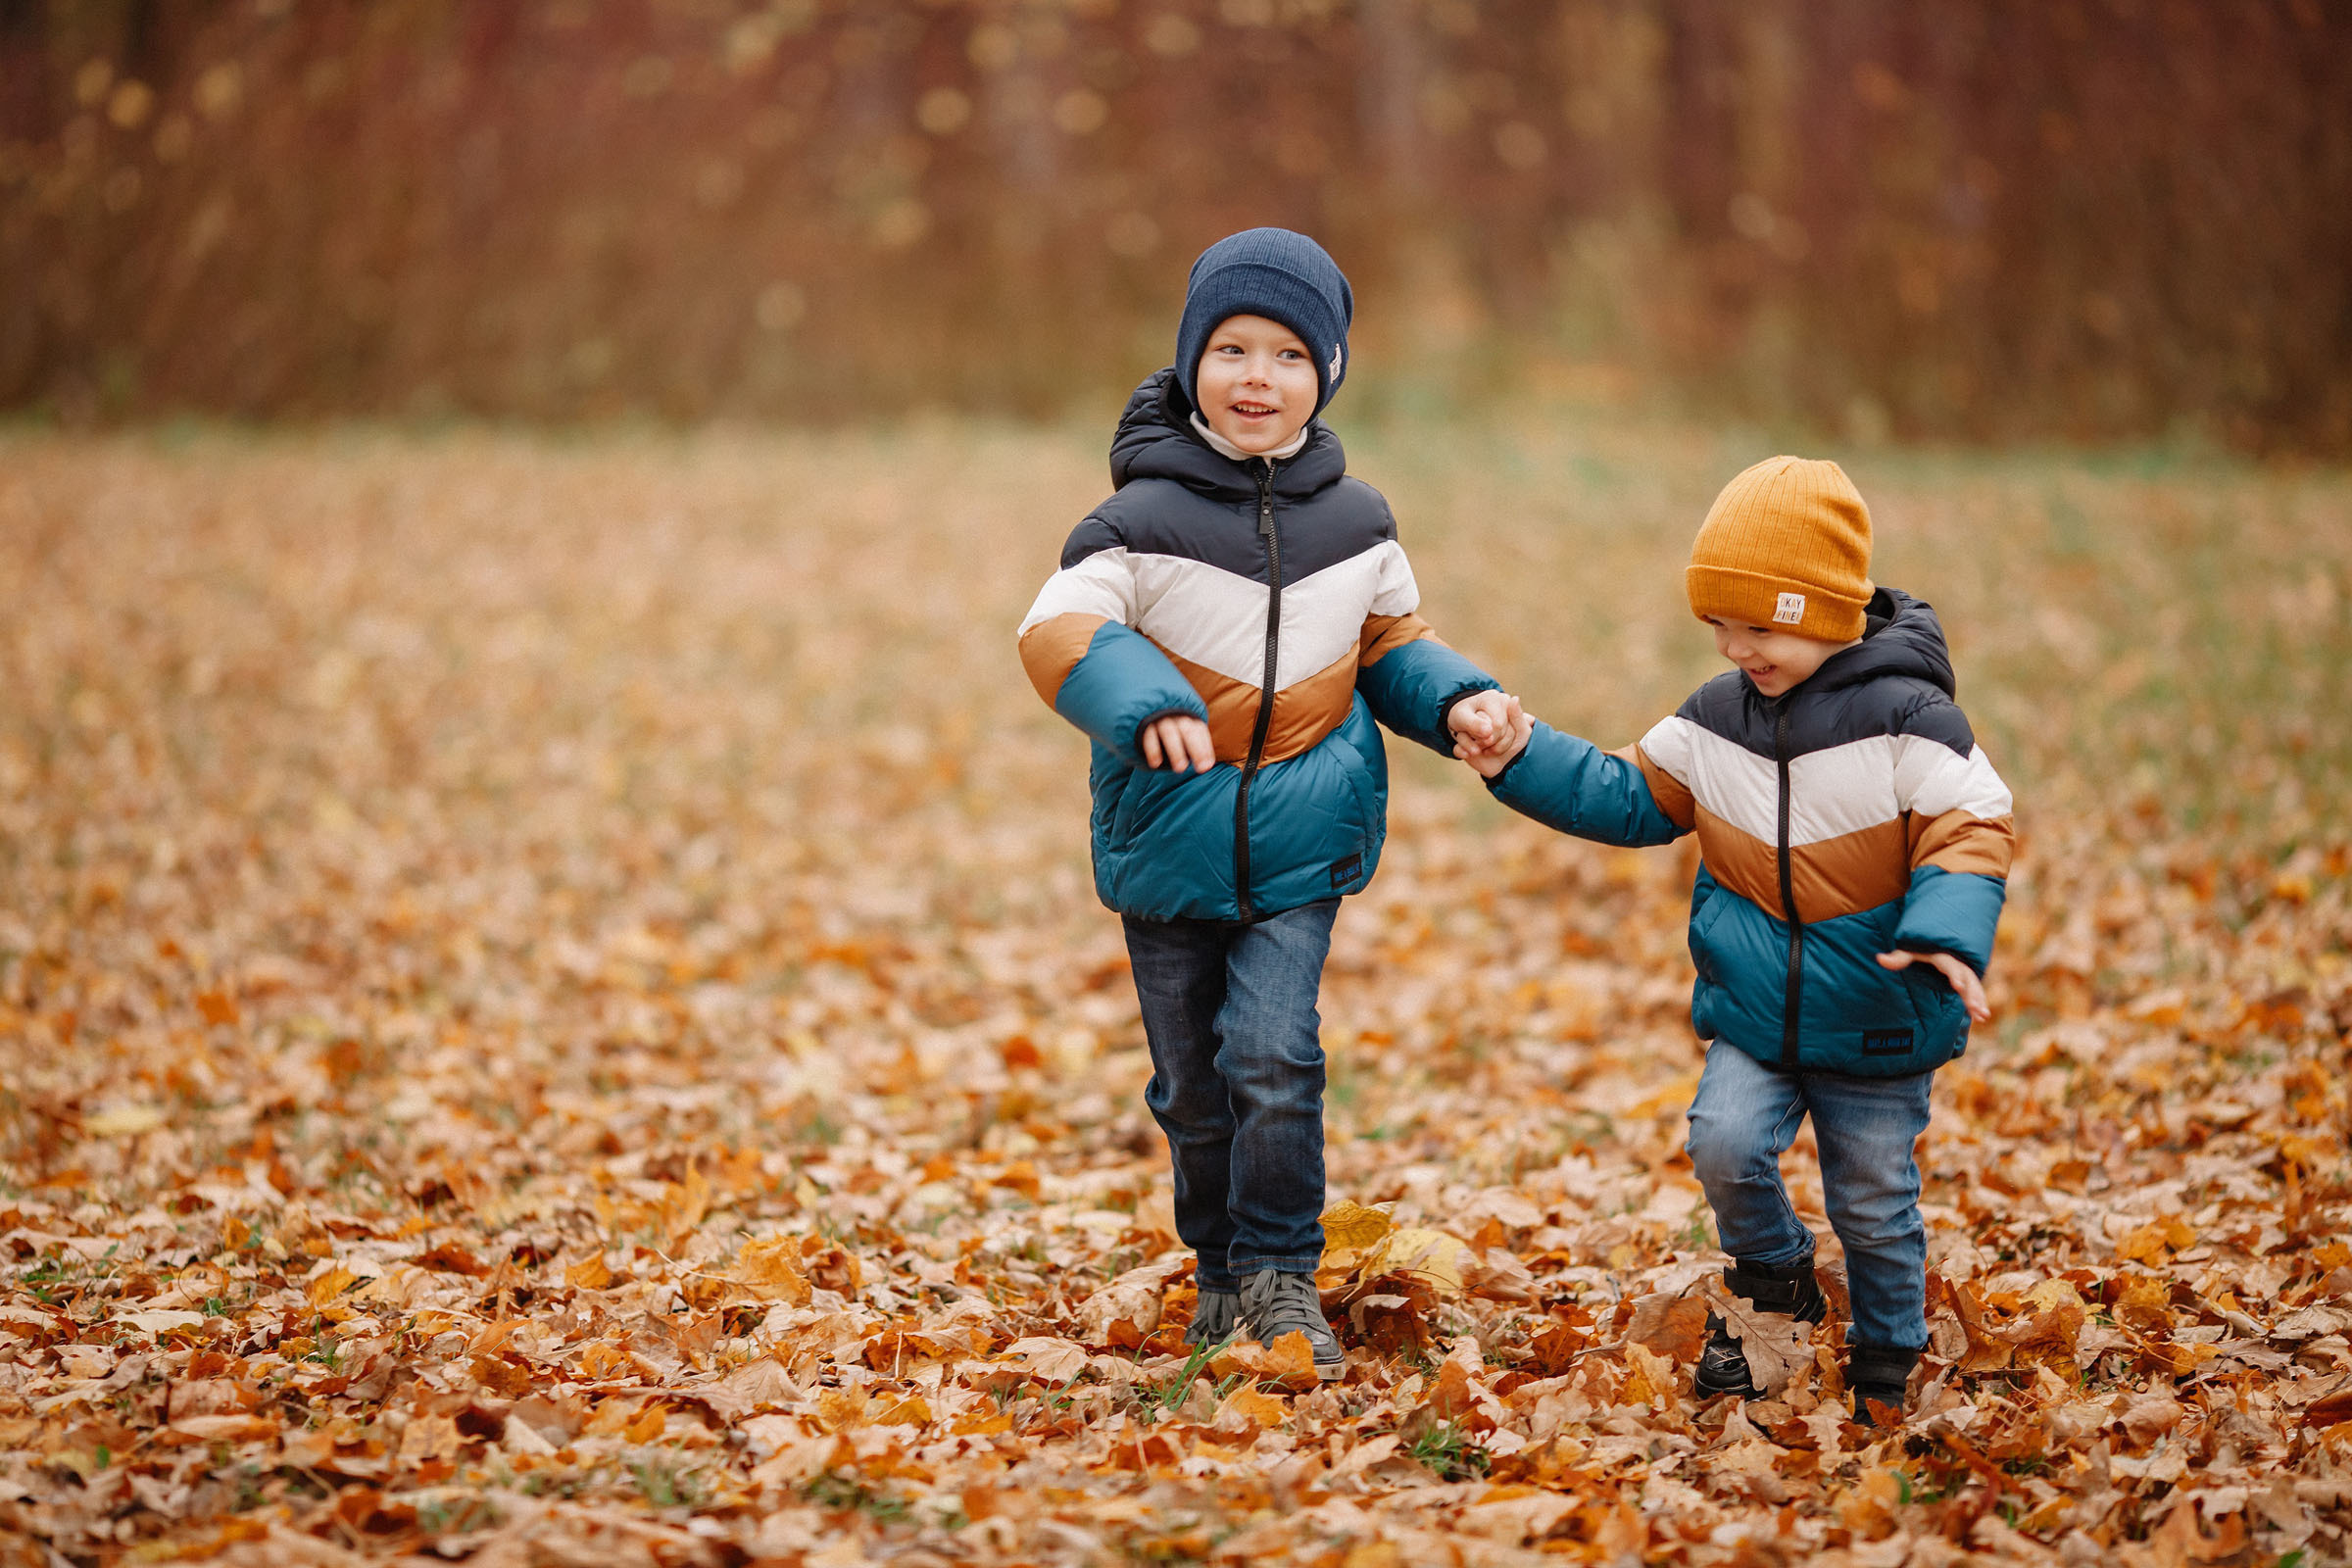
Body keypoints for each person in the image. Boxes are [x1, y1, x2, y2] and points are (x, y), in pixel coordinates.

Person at [1016, 227, 1529, 1379]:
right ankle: (1218, 1266)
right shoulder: (1133, 523)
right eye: (1233, 348)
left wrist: (1458, 701)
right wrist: (1142, 694)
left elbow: (1393, 642)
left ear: (1328, 372)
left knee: (1273, 1053)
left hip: (1303, 839)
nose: (1259, 376)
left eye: (1291, 354)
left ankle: (1284, 1275)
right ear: (1192, 360)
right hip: (1167, 839)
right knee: (1193, 1086)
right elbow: (1057, 631)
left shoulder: (1359, 523)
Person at [1457, 456, 2013, 1422]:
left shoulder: (1909, 722)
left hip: (1880, 1012)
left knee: (1876, 1201)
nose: (1733, 646)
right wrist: (1519, 755)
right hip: (1756, 1011)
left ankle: (1886, 1353)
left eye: (1758, 625)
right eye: (1719, 625)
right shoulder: (1716, 720)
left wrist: (1944, 931)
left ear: (1825, 611)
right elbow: (1626, 793)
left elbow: (1973, 824)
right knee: (1722, 1143)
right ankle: (1774, 1280)